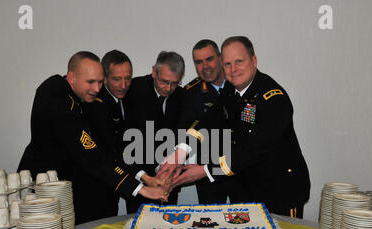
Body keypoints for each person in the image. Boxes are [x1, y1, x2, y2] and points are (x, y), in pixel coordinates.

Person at [159, 36, 311, 218]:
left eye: (239, 62)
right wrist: (180, 152)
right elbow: (209, 121)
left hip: (281, 191)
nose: (233, 70)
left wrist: (205, 170)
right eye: (228, 64)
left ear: (253, 60)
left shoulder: (273, 99)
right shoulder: (232, 91)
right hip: (251, 189)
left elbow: (252, 151)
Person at [17, 51, 168, 224]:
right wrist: (140, 189)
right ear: (72, 77)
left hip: (66, 186)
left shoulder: (70, 92)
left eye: (99, 82)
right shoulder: (57, 99)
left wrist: (142, 179)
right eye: (90, 82)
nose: (96, 89)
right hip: (42, 190)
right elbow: (92, 155)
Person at [178, 39, 247, 205]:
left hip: (242, 168)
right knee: (211, 224)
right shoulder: (190, 93)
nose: (205, 66)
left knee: (247, 220)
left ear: (220, 58)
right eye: (198, 62)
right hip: (208, 172)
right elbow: (185, 131)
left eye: (209, 59)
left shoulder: (240, 83)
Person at [123, 51, 186, 213]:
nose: (169, 88)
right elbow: (128, 139)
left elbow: (181, 135)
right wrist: (148, 175)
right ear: (153, 71)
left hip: (169, 179)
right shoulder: (132, 90)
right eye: (164, 82)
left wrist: (169, 172)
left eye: (174, 83)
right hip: (138, 175)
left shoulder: (182, 96)